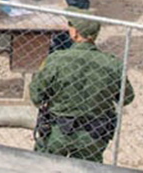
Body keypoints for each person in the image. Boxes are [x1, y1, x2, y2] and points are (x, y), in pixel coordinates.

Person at [30, 11, 134, 163]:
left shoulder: (57, 60)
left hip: (57, 131)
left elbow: (36, 96)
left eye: (70, 25)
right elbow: (127, 98)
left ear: (76, 33)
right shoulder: (112, 65)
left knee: (44, 164)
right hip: (94, 135)